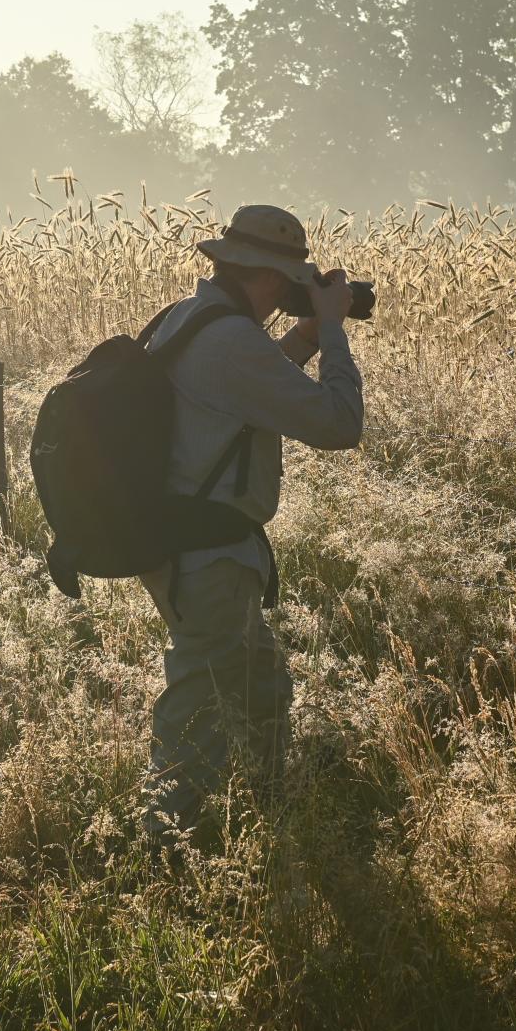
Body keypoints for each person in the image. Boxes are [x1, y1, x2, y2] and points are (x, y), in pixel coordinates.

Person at [141, 203, 364, 844]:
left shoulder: (192, 317)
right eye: (291, 282)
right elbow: (338, 424)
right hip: (208, 554)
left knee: (258, 684)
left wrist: (302, 340)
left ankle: (271, 801)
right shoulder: (231, 339)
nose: (294, 293)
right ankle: (166, 844)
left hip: (188, 543)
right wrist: (333, 331)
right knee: (199, 700)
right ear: (268, 277)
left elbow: (241, 394)